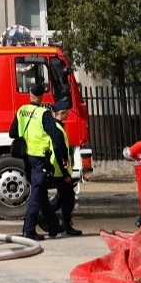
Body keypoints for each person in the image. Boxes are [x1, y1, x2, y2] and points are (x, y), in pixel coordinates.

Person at [9, 81, 63, 240]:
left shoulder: (21, 110)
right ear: (41, 97)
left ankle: (53, 227)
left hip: (26, 158)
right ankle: (28, 229)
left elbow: (12, 133)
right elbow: (56, 136)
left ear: (30, 95)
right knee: (37, 193)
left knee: (41, 193)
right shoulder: (43, 113)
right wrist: (61, 157)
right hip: (39, 157)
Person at [51, 99, 83, 237]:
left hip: (60, 170)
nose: (68, 115)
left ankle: (50, 216)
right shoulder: (57, 130)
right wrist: (65, 174)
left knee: (63, 197)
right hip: (60, 171)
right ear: (61, 113)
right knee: (67, 199)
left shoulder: (56, 127)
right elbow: (59, 153)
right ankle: (63, 223)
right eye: (66, 113)